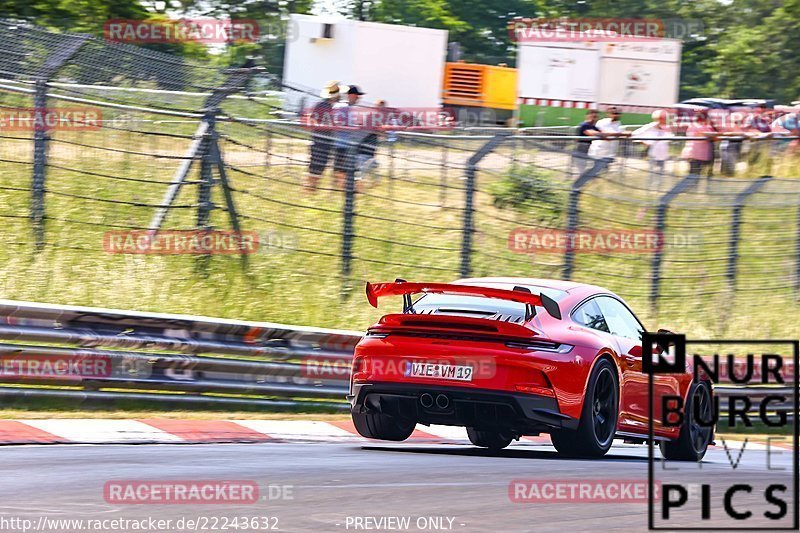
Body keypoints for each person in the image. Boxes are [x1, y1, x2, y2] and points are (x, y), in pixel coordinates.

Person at [304, 81, 340, 192]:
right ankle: (308, 191)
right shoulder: (322, 106)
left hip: (325, 141)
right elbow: (313, 120)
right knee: (315, 168)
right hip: (320, 142)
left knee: (319, 168)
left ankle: (311, 192)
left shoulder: (330, 106)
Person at [631, 109, 674, 190]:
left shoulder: (666, 128)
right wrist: (645, 143)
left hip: (663, 154)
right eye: (662, 118)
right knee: (653, 173)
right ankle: (649, 190)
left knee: (661, 174)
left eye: (665, 118)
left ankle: (658, 190)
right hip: (653, 154)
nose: (664, 120)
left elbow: (670, 138)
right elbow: (635, 134)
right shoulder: (650, 126)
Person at [332, 85, 365, 188]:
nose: (358, 98)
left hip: (350, 145)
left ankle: (345, 191)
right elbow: (337, 123)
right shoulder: (341, 107)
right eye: (357, 95)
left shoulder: (353, 109)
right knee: (340, 171)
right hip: (342, 145)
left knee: (349, 171)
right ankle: (340, 191)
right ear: (350, 95)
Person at [681, 109, 716, 182]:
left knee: (696, 175)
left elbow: (713, 135)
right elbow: (711, 135)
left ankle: (692, 189)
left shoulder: (703, 126)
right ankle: (689, 190)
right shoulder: (697, 126)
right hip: (695, 155)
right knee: (694, 175)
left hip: (699, 155)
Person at [573, 109, 600, 175]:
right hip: (581, 146)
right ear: (587, 116)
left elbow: (601, 132)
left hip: (588, 147)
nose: (594, 119)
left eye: (596, 117)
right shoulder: (584, 125)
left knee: (586, 163)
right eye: (593, 117)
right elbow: (591, 133)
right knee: (582, 163)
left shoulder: (593, 126)